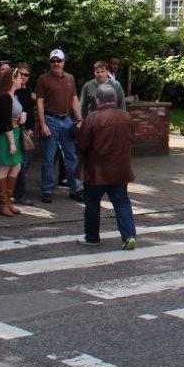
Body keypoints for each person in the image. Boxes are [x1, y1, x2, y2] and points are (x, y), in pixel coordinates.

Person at [76, 84, 138, 249]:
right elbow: (131, 140)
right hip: (120, 169)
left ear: (98, 100)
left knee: (92, 202)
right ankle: (129, 236)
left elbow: (82, 145)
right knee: (122, 202)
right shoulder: (127, 117)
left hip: (96, 170)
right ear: (115, 99)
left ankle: (92, 237)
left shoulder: (92, 118)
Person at [36, 48, 84, 203]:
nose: (56, 63)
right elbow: (40, 102)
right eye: (53, 61)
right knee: (49, 157)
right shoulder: (43, 79)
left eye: (59, 60)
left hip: (67, 119)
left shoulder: (70, 78)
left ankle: (75, 188)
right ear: (50, 62)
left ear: (63, 62)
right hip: (51, 119)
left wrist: (79, 119)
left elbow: (74, 99)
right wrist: (42, 123)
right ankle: (47, 189)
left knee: (71, 156)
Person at [0, 66, 26, 217]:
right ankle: (2, 203)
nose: (22, 79)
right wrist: (11, 143)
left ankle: (8, 200)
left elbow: (12, 115)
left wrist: (22, 114)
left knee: (16, 166)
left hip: (14, 132)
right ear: (12, 79)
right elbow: (5, 122)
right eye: (19, 77)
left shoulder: (12, 96)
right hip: (5, 135)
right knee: (4, 167)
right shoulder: (5, 97)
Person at [11, 62, 37, 206]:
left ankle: (17, 192)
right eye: (21, 74)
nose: (24, 77)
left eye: (26, 75)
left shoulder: (29, 91)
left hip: (28, 131)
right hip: (17, 129)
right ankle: (18, 194)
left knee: (25, 164)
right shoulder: (15, 91)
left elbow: (31, 113)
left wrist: (31, 128)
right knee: (20, 163)